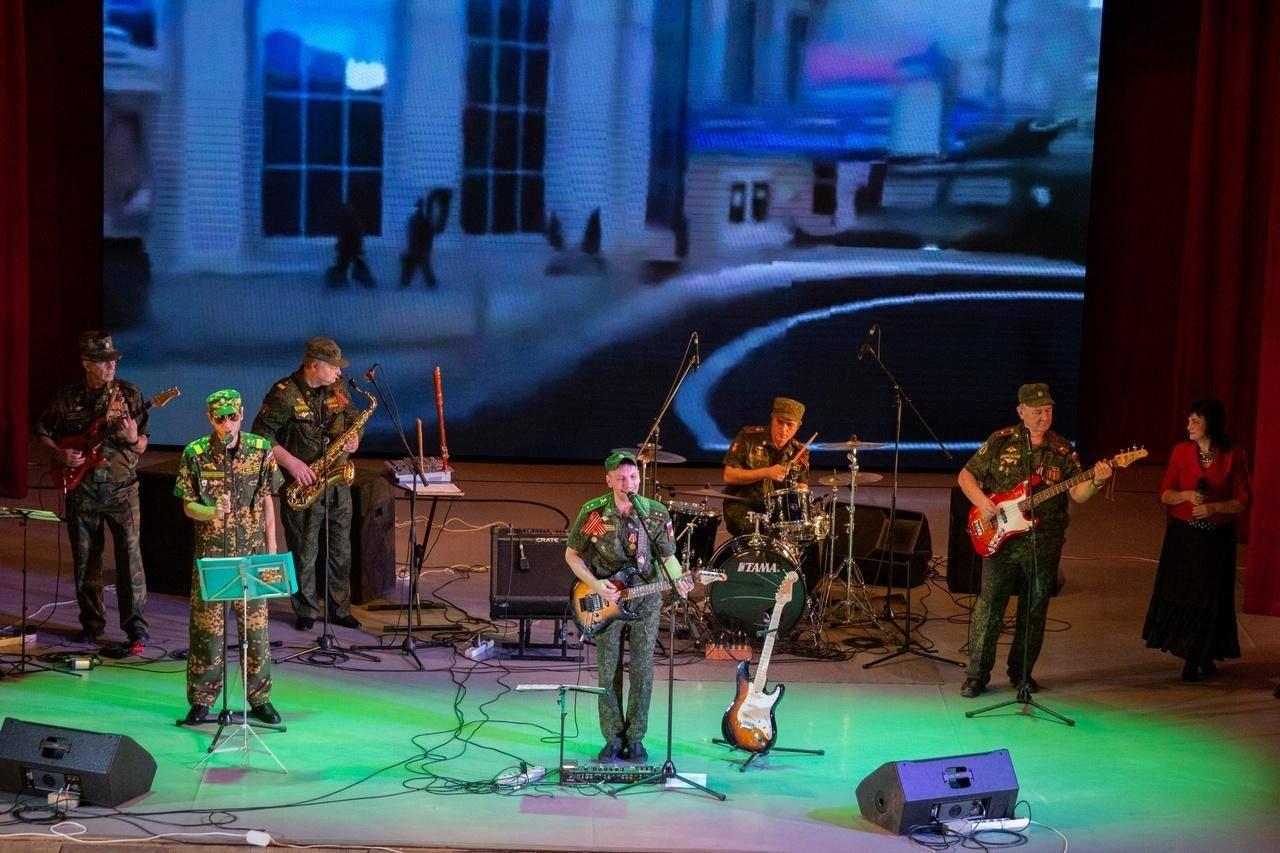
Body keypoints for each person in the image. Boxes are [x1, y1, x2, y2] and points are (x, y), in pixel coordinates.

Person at [957, 382, 1112, 698]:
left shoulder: (1062, 450)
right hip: (1002, 540)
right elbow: (966, 476)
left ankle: (1021, 673)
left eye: (1049, 410)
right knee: (990, 608)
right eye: (1038, 411)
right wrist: (982, 503)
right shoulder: (1001, 441)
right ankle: (976, 675)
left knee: (1035, 610)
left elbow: (1078, 494)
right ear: (1021, 411)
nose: (1044, 416)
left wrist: (1097, 481)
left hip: (1044, 542)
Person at [565, 452, 694, 763]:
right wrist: (596, 585)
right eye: (621, 478)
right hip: (607, 601)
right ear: (608, 481)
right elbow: (572, 555)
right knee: (608, 670)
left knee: (642, 670)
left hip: (646, 600)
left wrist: (679, 579)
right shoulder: (594, 513)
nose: (629, 484)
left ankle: (636, 738)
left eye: (633, 477)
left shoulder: (655, 514)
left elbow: (667, 557)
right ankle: (612, 739)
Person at [36, 331, 150, 648]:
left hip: (122, 490)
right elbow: (42, 432)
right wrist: (59, 454)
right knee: (86, 561)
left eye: (113, 360)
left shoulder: (129, 394)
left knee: (130, 559)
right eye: (102, 361)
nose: (110, 366)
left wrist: (132, 439)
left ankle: (136, 627)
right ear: (86, 363)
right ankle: (91, 623)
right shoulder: (67, 398)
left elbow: (143, 442)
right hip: (82, 490)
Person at [175, 390, 283, 725]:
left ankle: (260, 698)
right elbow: (188, 506)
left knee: (256, 632)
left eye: (232, 416)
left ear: (242, 414)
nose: (227, 424)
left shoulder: (260, 449)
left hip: (251, 555)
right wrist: (212, 512)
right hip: (213, 557)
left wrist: (271, 547)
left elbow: (266, 500)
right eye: (220, 418)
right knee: (208, 633)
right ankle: (202, 700)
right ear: (210, 418)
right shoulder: (196, 453)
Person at [252, 337, 363, 631]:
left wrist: (355, 438)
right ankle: (306, 609)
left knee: (340, 549)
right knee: (304, 549)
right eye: (334, 367)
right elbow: (261, 435)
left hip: (336, 481)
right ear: (314, 366)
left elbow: (354, 418)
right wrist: (292, 463)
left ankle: (339, 609)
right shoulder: (284, 394)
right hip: (303, 483)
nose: (339, 372)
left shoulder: (337, 388)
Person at [1143, 398, 1251, 682]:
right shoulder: (1181, 452)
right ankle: (1192, 655)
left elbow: (1243, 499)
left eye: (1195, 421)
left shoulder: (1234, 455)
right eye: (1188, 420)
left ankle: (1204, 653)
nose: (1188, 425)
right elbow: (1164, 493)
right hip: (1184, 537)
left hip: (1216, 539)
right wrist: (1186, 496)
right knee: (1187, 595)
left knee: (1211, 597)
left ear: (1210, 424)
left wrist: (1214, 508)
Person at [721, 397, 810, 537]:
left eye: (790, 425)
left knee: (802, 533)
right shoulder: (749, 437)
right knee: (755, 530)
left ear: (798, 426)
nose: (784, 429)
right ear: (772, 418)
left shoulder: (799, 452)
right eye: (780, 422)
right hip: (742, 504)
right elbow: (729, 475)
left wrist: (797, 489)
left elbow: (802, 486)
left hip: (776, 512)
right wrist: (766, 472)